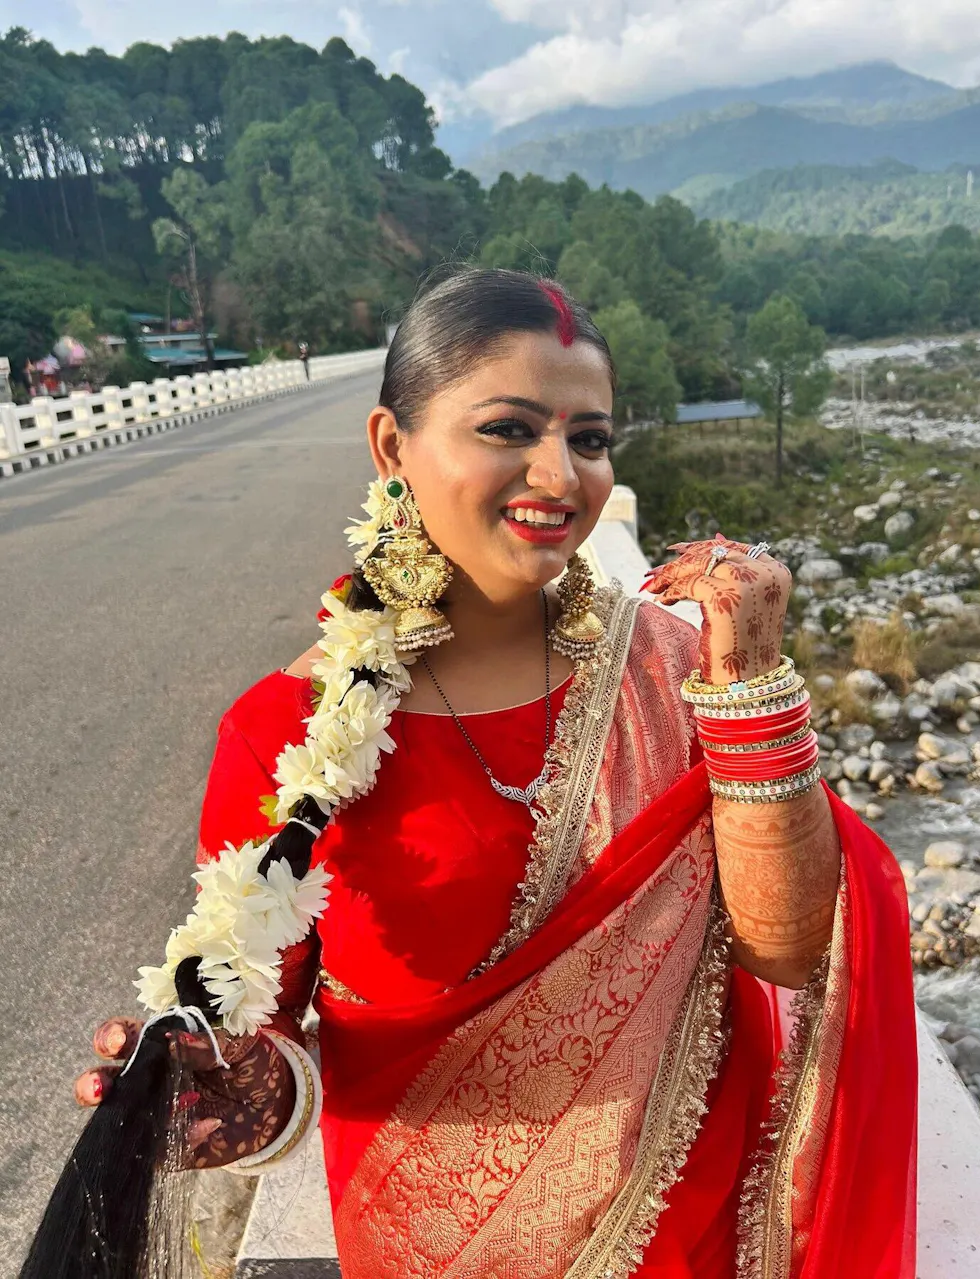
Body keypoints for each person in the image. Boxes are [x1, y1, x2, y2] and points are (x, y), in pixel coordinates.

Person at [75, 268, 917, 1277]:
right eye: (509, 429)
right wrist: (239, 1092)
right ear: (391, 446)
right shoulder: (286, 736)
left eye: (590, 439)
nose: (559, 476)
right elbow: (272, 1043)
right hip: (428, 1248)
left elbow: (788, 949)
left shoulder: (673, 670)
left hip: (688, 1232)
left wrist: (751, 684)